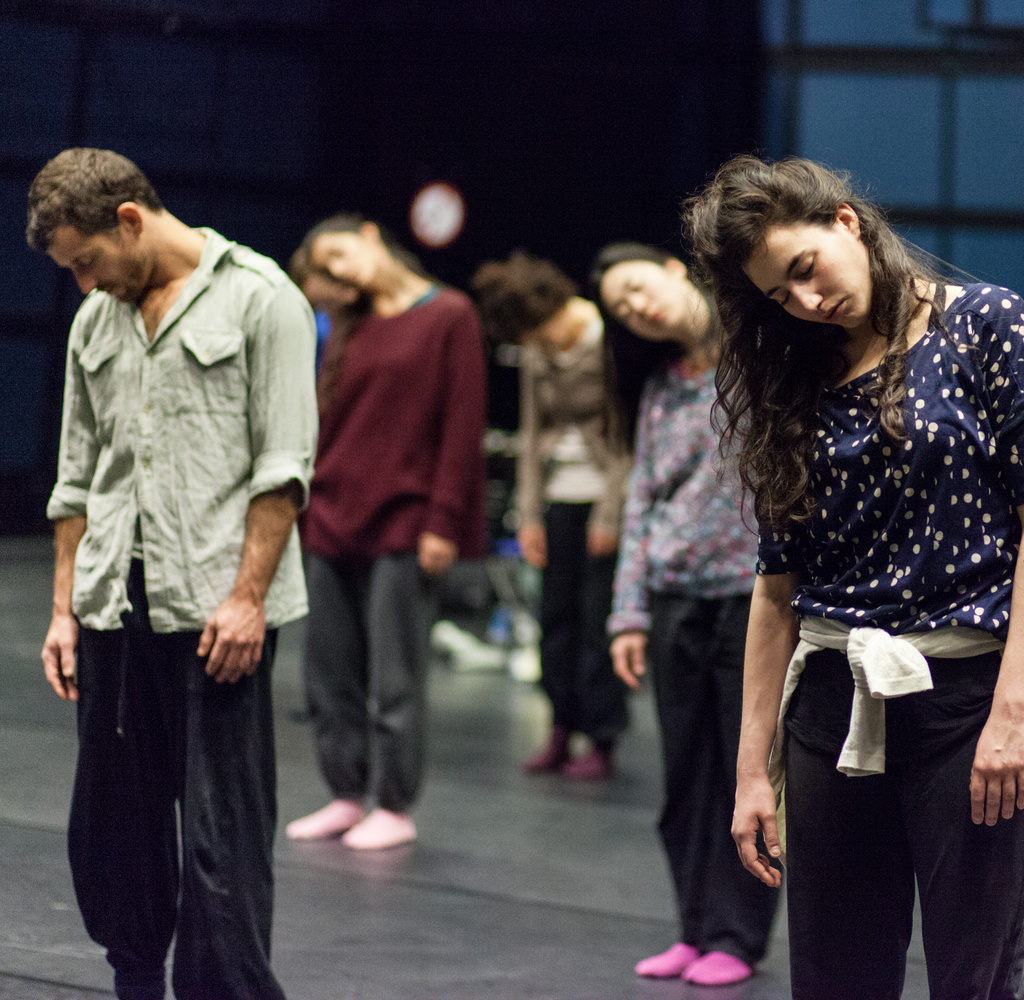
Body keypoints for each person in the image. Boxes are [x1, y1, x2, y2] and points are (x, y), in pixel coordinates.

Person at [685, 155, 1024, 1000]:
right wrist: (753, 769)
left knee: (971, 983)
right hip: (832, 705)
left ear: (845, 222)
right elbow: (776, 587)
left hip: (967, 705)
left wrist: (1012, 716)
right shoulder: (797, 375)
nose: (804, 301)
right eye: (778, 296)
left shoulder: (988, 324)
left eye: (803, 270)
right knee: (833, 982)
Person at [30, 148, 315, 1000]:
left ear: (128, 219)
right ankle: (134, 984)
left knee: (220, 842)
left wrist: (247, 599)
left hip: (215, 614)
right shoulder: (96, 321)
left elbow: (284, 466)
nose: (83, 284)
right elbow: (76, 479)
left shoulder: (263, 300)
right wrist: (63, 611)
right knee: (112, 831)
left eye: (86, 262)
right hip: (115, 604)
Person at [592, 241, 780, 986]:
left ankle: (737, 936)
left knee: (746, 774)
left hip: (751, 598)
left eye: (636, 288)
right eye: (621, 310)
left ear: (673, 270)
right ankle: (692, 927)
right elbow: (641, 499)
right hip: (674, 596)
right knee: (682, 779)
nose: (636, 308)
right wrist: (627, 611)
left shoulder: (758, 358)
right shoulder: (659, 389)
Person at [284, 215, 487, 850]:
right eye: (325, 272)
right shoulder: (350, 325)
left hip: (405, 519)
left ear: (370, 235)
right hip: (332, 515)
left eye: (338, 254)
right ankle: (346, 792)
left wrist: (444, 521)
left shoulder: (449, 314)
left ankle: (393, 803)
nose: (338, 272)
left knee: (395, 674)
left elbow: (462, 425)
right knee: (328, 669)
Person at [472, 253, 632, 780]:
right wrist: (528, 516)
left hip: (606, 500)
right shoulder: (538, 351)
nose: (537, 345)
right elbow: (531, 429)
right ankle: (560, 728)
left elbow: (628, 438)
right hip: (557, 500)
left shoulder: (607, 339)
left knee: (597, 622)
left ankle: (601, 737)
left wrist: (611, 516)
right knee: (554, 620)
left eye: (540, 333)